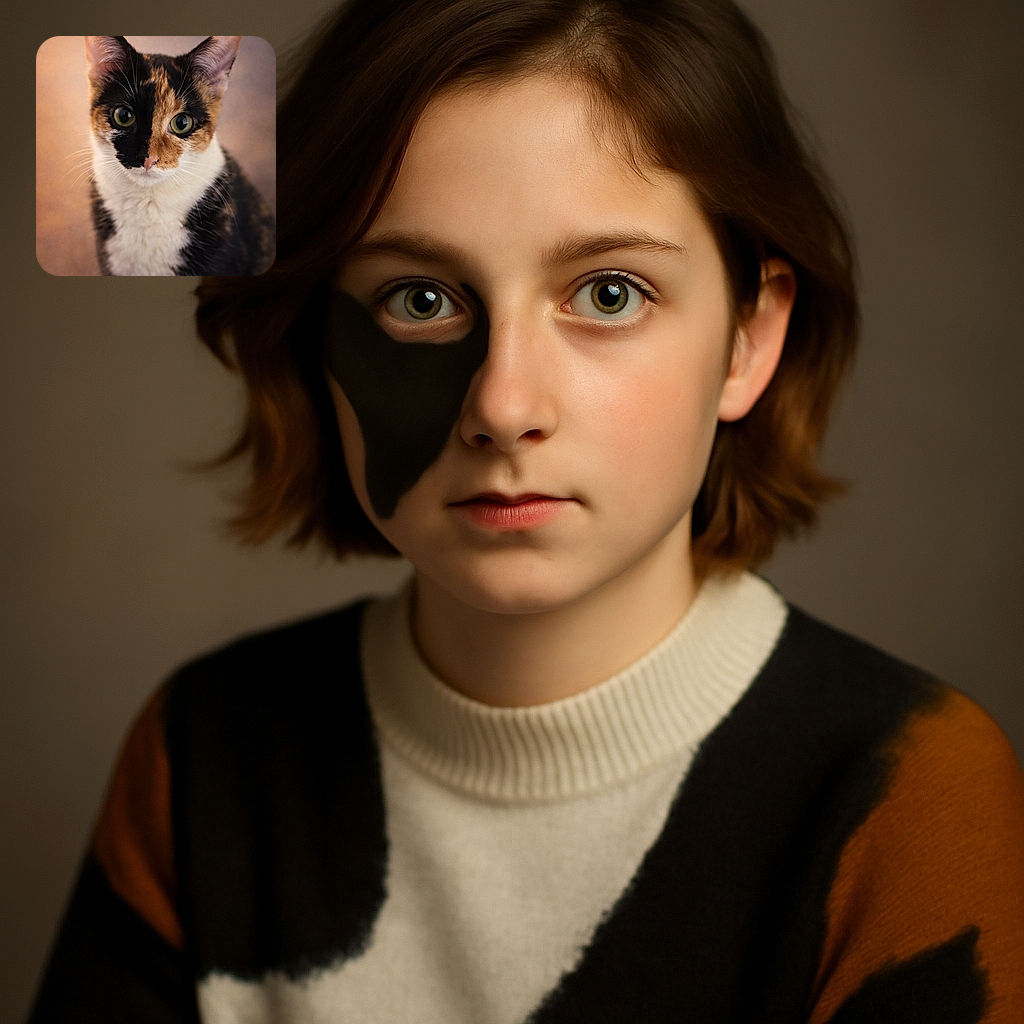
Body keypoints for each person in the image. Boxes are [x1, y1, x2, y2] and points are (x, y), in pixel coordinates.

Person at [28, 0, 1024, 1021]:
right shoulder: (206, 756)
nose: (504, 406)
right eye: (419, 299)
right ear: (314, 346)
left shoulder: (908, 798)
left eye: (607, 293)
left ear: (748, 337)